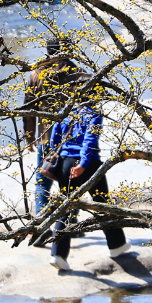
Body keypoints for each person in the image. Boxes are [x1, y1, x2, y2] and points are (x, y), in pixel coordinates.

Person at [42, 101, 128, 272]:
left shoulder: (64, 111)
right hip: (89, 165)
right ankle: (117, 245)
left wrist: (64, 157)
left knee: (66, 207)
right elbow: (89, 140)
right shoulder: (94, 114)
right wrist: (82, 164)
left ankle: (58, 255)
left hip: (66, 164)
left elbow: (54, 140)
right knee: (102, 203)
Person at [23, 40, 79, 230]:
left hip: (46, 138)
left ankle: (41, 227)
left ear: (48, 51)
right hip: (71, 141)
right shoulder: (76, 72)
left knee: (42, 184)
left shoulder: (37, 73)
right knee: (71, 184)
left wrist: (29, 136)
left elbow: (29, 109)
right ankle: (68, 226)